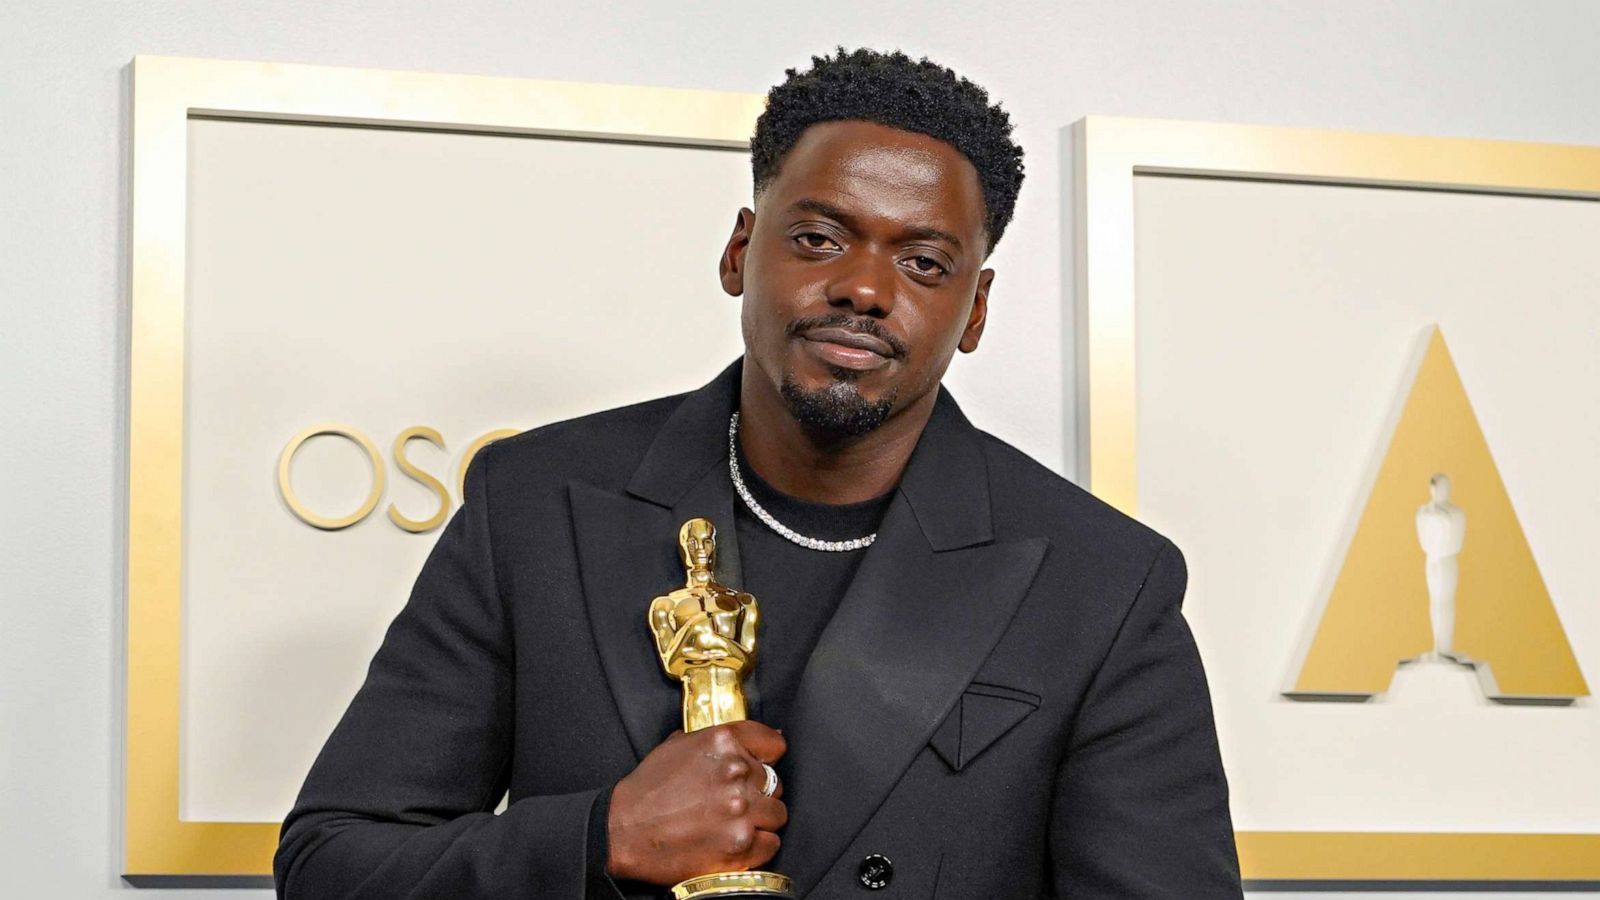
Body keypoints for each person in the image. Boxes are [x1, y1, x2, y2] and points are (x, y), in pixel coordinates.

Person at [274, 47, 1242, 899]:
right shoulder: (534, 504)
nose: (863, 287)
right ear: (741, 250)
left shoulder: (1102, 584)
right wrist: (598, 838)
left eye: (923, 262)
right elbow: (332, 866)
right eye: (819, 238)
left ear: (975, 309)